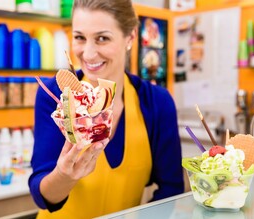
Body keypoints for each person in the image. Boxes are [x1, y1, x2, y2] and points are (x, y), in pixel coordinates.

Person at [28, 0, 184, 218]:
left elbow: (171, 189)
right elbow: (41, 195)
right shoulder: (54, 95)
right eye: (80, 37)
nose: (89, 54)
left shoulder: (156, 102)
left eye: (102, 38)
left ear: (130, 38)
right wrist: (65, 175)